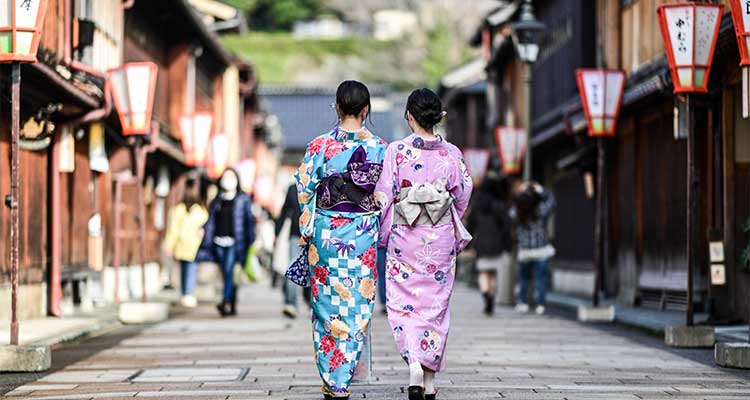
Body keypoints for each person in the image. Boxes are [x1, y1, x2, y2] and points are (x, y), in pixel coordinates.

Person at [375, 88, 473, 400]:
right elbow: (463, 193)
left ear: (410, 116)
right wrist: (446, 215)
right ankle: (429, 380)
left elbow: (383, 195)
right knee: (435, 306)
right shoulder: (452, 154)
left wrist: (385, 227)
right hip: (440, 234)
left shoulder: (397, 151)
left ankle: (415, 362)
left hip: (407, 234)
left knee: (404, 302)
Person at [295, 80, 387, 400]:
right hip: (362, 233)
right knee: (358, 305)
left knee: (325, 305)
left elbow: (305, 186)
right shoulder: (380, 148)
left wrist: (307, 227)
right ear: (366, 109)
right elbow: (385, 195)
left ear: (336, 106)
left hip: (326, 232)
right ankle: (344, 371)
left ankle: (334, 378)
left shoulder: (320, 146)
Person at [196, 168, 256, 317]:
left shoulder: (243, 199)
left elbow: (249, 221)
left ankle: (225, 300)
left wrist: (251, 240)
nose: (227, 180)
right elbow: (211, 220)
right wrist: (203, 229)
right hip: (217, 241)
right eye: (225, 177)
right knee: (225, 273)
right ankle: (232, 301)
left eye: (231, 177)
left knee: (229, 270)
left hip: (235, 242)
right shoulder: (217, 200)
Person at [467, 174, 513, 316]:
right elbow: (507, 226)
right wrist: (508, 244)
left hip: (481, 244)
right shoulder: (500, 205)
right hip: (497, 244)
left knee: (483, 272)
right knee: (492, 273)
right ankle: (491, 296)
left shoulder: (477, 206)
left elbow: (471, 226)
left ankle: (486, 295)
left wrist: (467, 244)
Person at [511, 181, 556, 315]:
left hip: (525, 250)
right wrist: (541, 190)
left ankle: (523, 302)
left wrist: (520, 192)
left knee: (524, 278)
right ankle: (540, 304)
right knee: (540, 279)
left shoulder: (517, 213)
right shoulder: (540, 210)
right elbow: (552, 202)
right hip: (541, 249)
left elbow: (512, 208)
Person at [163, 176, 208, 308]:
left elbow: (173, 229)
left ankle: (186, 293)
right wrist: (169, 244)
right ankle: (187, 293)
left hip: (186, 244)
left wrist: (169, 244)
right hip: (193, 244)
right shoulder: (200, 210)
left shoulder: (179, 209)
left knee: (187, 269)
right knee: (189, 269)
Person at [275, 183, 304, 318]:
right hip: (296, 235)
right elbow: (284, 211)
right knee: (293, 267)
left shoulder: (320, 183)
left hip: (317, 235)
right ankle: (291, 303)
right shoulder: (293, 188)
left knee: (314, 270)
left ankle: (311, 301)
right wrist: (277, 233)